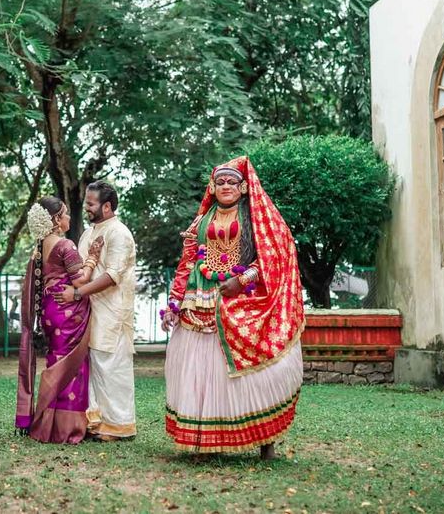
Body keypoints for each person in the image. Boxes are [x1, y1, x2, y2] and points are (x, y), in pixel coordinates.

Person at [161, 156, 304, 459]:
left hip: (242, 303)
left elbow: (274, 257)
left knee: (255, 372)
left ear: (243, 188)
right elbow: (188, 263)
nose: (226, 186)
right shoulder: (200, 222)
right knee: (199, 372)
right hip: (198, 303)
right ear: (212, 187)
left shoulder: (256, 221)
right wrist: (174, 303)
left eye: (232, 182)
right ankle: (204, 441)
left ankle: (267, 442)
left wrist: (242, 280)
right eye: (220, 182)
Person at [15, 197, 104, 443]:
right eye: (64, 214)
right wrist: (93, 258)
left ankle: (45, 425)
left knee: (55, 362)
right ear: (55, 220)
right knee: (73, 368)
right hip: (68, 312)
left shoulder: (40, 247)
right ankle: (68, 429)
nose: (68, 218)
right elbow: (80, 281)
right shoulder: (65, 244)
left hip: (50, 313)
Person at [53, 181, 137, 440]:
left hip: (112, 310)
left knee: (111, 366)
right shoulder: (88, 233)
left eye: (91, 203)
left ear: (107, 206)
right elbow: (80, 270)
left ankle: (119, 426)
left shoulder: (119, 233)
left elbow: (112, 275)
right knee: (93, 366)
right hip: (88, 310)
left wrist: (77, 293)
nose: (86, 207)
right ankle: (96, 422)